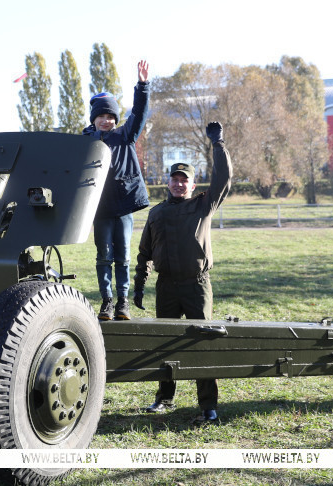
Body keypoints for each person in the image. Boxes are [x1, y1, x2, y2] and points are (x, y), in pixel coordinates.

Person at [133, 121, 233, 424]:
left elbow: (224, 177)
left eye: (184, 180)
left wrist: (218, 144)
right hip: (166, 287)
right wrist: (140, 284)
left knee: (201, 343)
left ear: (192, 184)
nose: (179, 184)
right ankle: (164, 398)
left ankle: (207, 406)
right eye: (175, 179)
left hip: (196, 286)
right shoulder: (157, 212)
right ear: (169, 183)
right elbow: (145, 252)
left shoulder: (204, 205)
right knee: (166, 342)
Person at [83, 60, 151, 321]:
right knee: (103, 256)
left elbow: (140, 113)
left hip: (122, 207)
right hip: (98, 208)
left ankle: (123, 302)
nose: (106, 120)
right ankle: (107, 302)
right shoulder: (85, 142)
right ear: (94, 119)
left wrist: (142, 85)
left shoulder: (125, 136)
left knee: (122, 256)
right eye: (101, 116)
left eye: (110, 116)